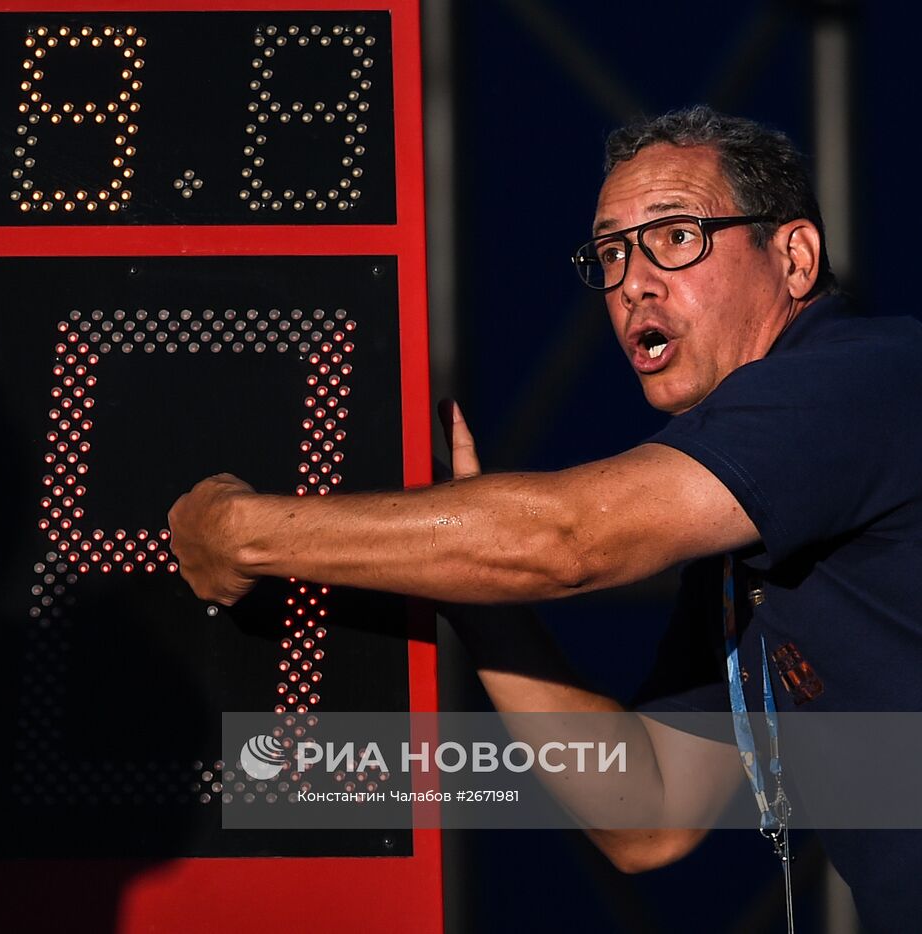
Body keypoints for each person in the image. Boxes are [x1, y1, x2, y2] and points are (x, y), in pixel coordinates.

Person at [167, 106, 922, 930]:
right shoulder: (743, 545)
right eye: (610, 252)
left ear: (795, 257)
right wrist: (462, 580)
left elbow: (571, 540)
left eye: (675, 237)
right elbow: (648, 812)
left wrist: (247, 535)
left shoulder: (865, 380)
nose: (633, 280)